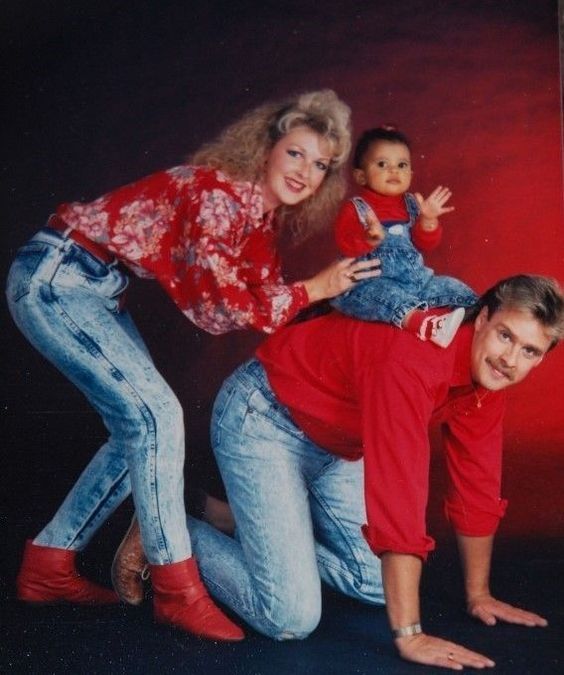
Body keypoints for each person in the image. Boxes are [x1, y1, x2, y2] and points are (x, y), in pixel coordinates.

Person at [6, 89, 379, 641]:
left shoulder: (258, 222)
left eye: (322, 165)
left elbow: (273, 302)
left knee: (137, 428)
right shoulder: (219, 194)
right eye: (296, 153)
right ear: (267, 147)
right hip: (58, 276)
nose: (306, 171)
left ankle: (48, 565)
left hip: (96, 286)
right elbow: (219, 311)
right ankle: (177, 588)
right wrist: (314, 286)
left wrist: (348, 269)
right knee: (157, 418)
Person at [179, 274, 560, 669]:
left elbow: (476, 485)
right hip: (265, 418)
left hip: (338, 444)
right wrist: (410, 635)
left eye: (530, 351)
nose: (510, 360)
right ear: (481, 319)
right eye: (505, 336)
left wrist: (479, 595)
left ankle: (228, 517)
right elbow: (399, 493)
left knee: (376, 582)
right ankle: (172, 531)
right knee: (288, 616)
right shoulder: (416, 355)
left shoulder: (487, 378)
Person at [331, 126, 477, 347]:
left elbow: (425, 243)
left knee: (453, 287)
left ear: (410, 174)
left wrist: (428, 220)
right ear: (360, 175)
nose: (394, 171)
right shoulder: (356, 208)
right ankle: (425, 324)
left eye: (402, 165)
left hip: (417, 282)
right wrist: (368, 239)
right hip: (371, 283)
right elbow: (345, 245)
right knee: (386, 298)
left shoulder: (413, 204)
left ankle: (480, 315)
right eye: (382, 164)